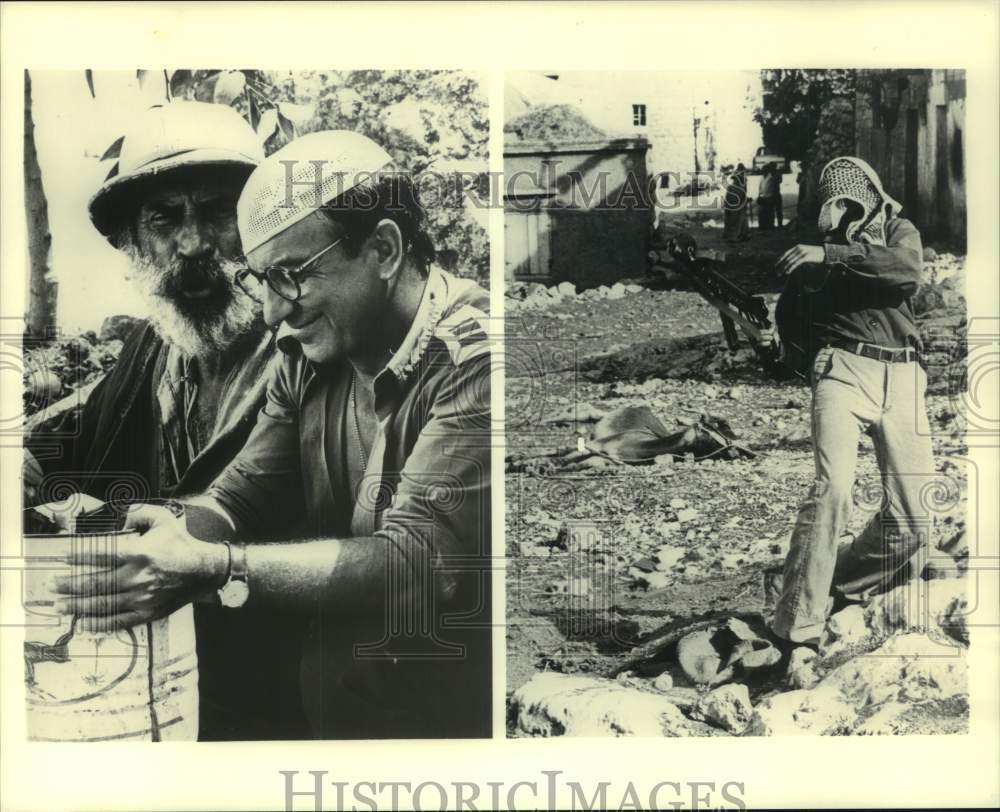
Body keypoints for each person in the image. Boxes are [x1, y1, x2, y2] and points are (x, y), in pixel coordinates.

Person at [54, 130, 494, 739]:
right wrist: (159, 528)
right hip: (336, 723)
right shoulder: (306, 353)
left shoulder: (477, 361)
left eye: (290, 276)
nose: (270, 312)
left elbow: (419, 564)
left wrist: (213, 567)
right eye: (260, 280)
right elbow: (238, 499)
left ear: (384, 250)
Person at [25, 101, 308, 741]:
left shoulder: (312, 354)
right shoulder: (154, 348)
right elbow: (70, 438)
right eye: (164, 219)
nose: (194, 244)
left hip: (279, 707)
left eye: (217, 212)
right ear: (133, 241)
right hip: (145, 697)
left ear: (263, 226)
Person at [770, 156, 933, 652]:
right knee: (833, 490)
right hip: (842, 370)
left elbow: (906, 274)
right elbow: (794, 327)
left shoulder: (901, 232)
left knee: (914, 519)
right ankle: (797, 624)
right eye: (836, 205)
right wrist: (774, 342)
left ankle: (835, 583)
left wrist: (832, 256)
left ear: (875, 198)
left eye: (855, 202)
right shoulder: (814, 254)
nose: (846, 214)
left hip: (903, 375)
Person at [723, 163, 750, 242]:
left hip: (731, 207)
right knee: (739, 218)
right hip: (735, 208)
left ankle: (739, 234)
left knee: (736, 219)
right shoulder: (736, 187)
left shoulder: (732, 187)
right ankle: (737, 235)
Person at [756, 162, 777, 230]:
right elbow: (760, 187)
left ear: (767, 170)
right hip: (763, 197)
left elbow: (774, 188)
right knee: (762, 213)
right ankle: (762, 226)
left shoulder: (771, 177)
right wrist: (759, 195)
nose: (763, 171)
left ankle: (770, 226)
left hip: (770, 197)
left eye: (764, 170)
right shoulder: (761, 177)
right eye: (762, 170)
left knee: (770, 213)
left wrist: (773, 197)